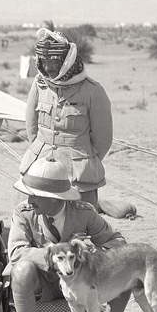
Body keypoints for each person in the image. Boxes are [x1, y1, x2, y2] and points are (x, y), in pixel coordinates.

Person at [7, 158, 146, 312]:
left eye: (34, 195)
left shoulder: (84, 212)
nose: (29, 201)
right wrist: (53, 253)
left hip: (81, 284)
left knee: (123, 263)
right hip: (42, 287)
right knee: (21, 270)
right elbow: (16, 253)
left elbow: (117, 242)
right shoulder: (24, 213)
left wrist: (93, 252)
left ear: (53, 198)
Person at [19, 28, 113, 208]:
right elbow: (31, 128)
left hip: (77, 177)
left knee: (79, 223)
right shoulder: (40, 85)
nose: (47, 68)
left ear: (67, 60)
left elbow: (102, 141)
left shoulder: (93, 91)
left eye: (53, 63)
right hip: (40, 168)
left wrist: (82, 160)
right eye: (44, 61)